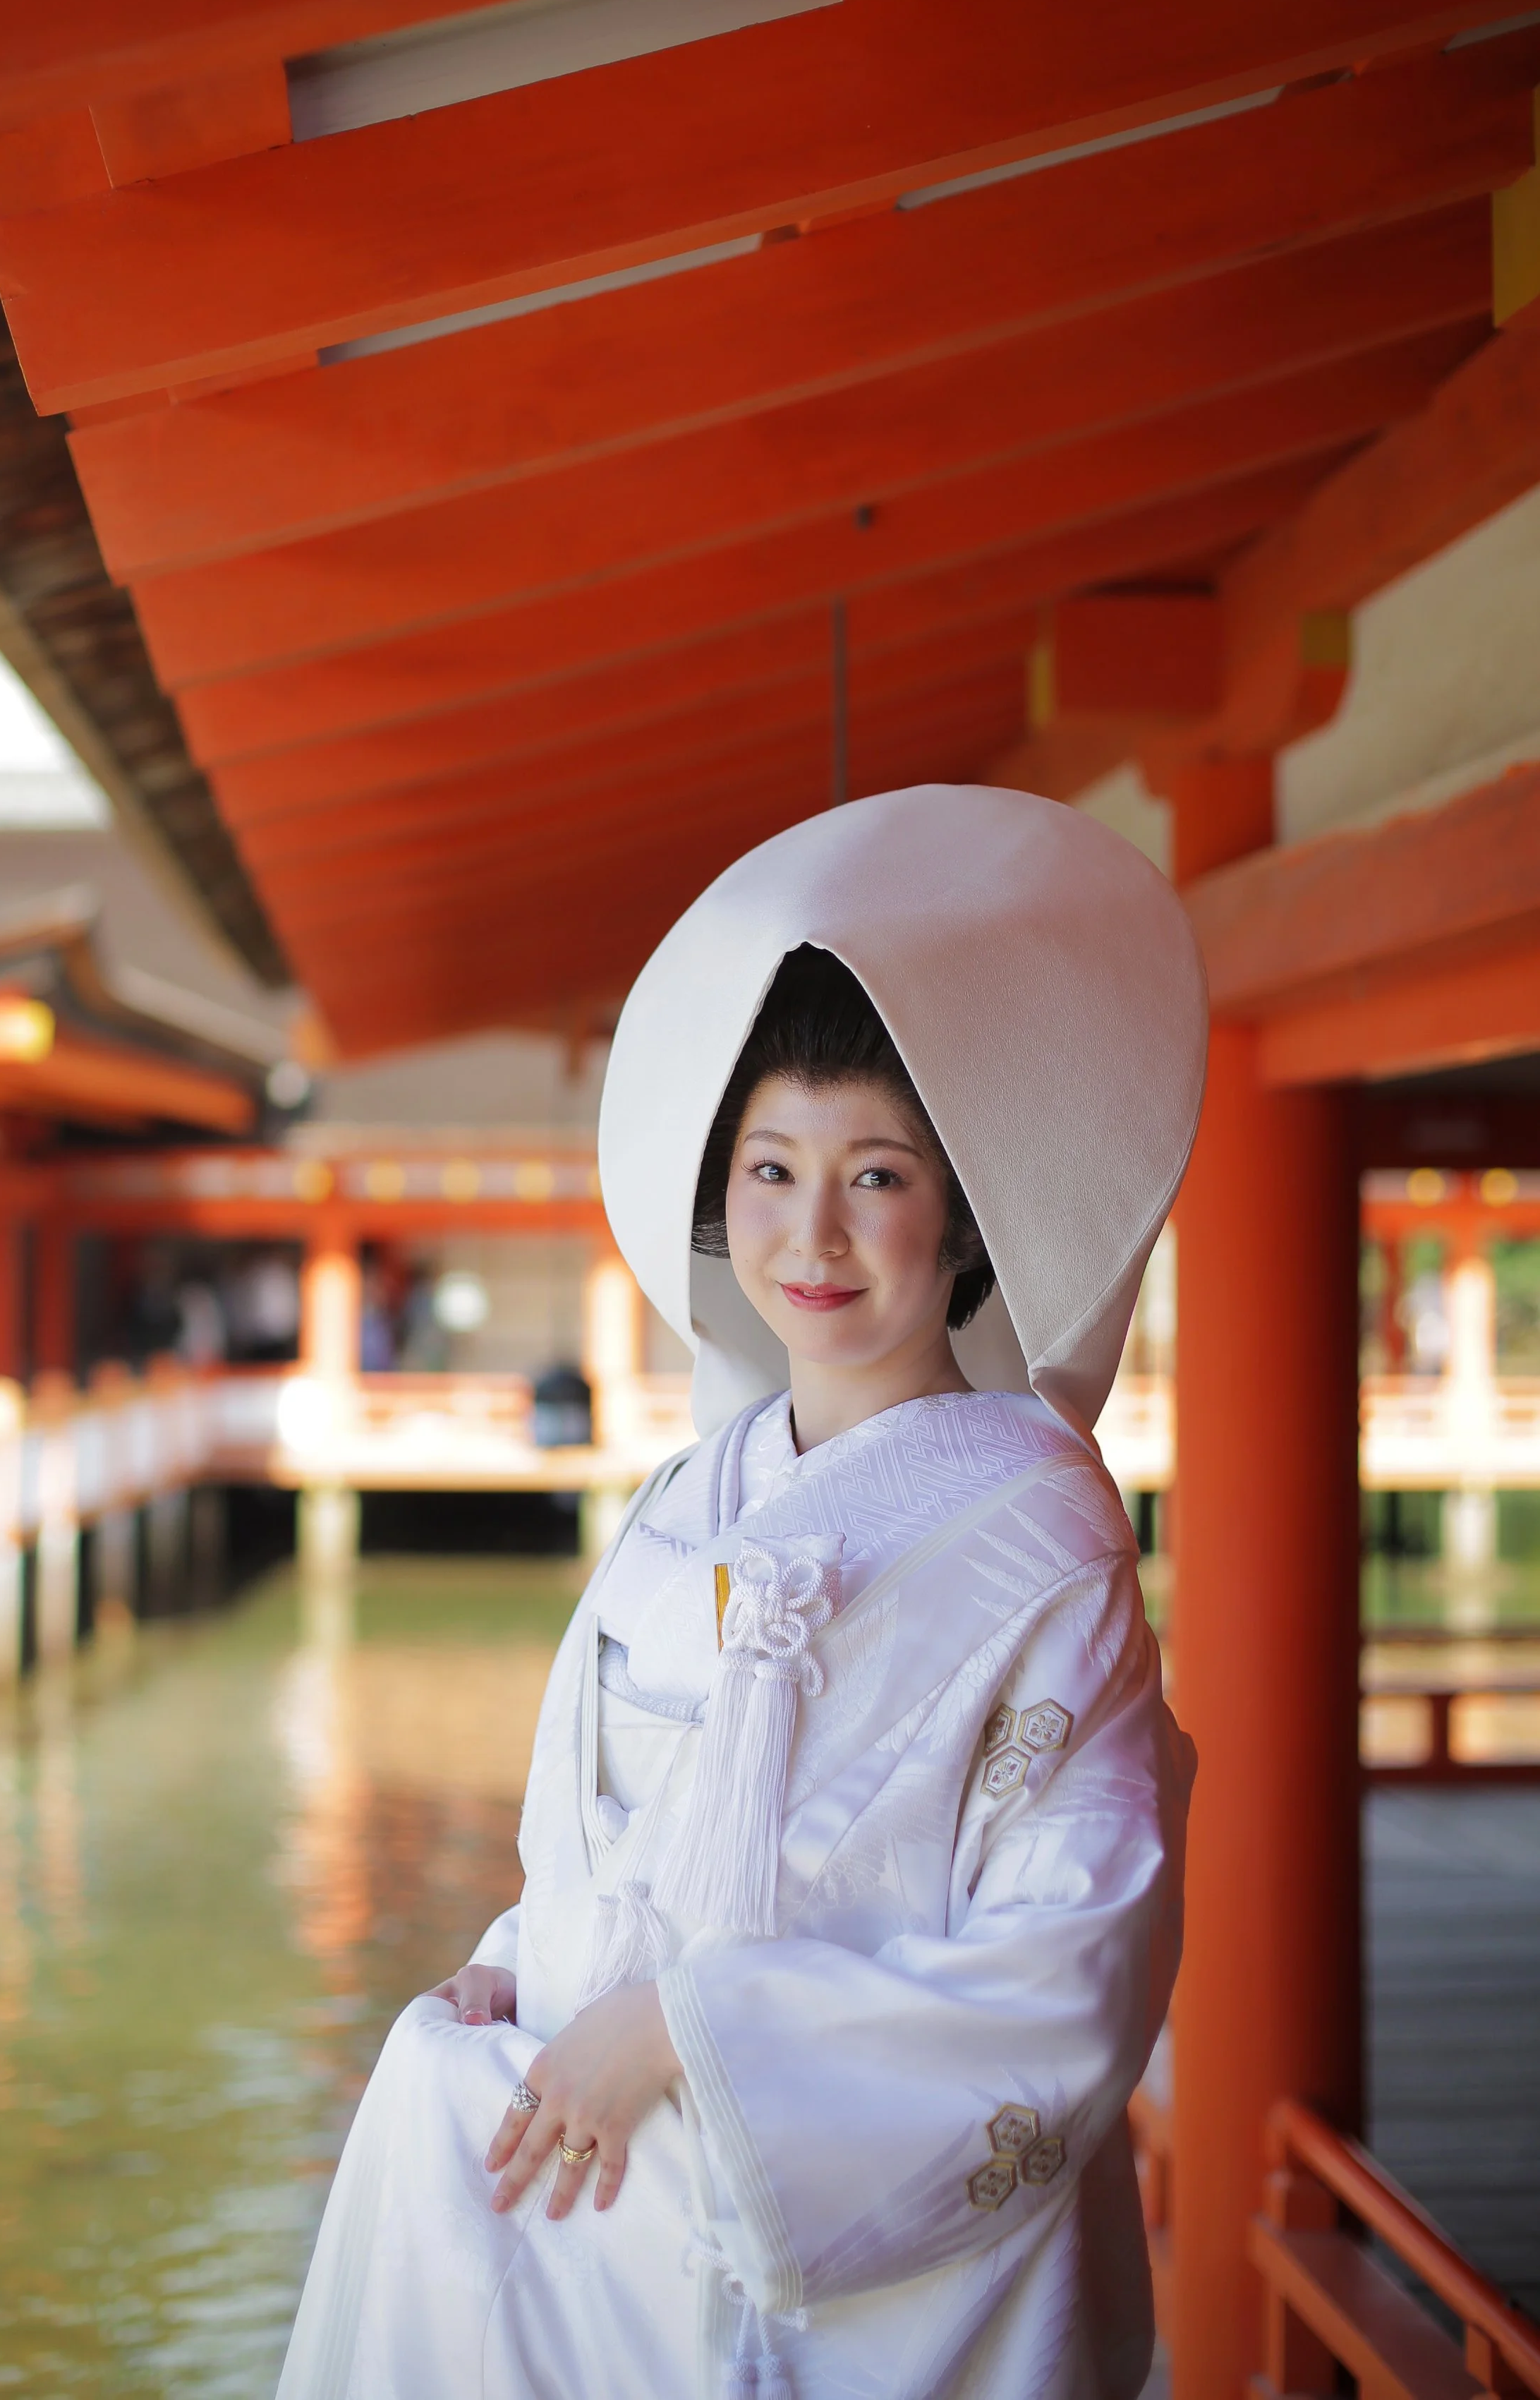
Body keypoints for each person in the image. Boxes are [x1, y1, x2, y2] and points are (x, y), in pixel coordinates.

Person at [275, 785, 1207, 2400]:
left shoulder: (1037, 1537)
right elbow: (621, 1848)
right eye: (771, 1170)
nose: (813, 1235)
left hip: (855, 2274)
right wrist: (524, 1960)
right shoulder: (686, 1500)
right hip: (613, 2218)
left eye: (878, 1177)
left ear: (963, 1216)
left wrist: (680, 2034)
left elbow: (1067, 1966)